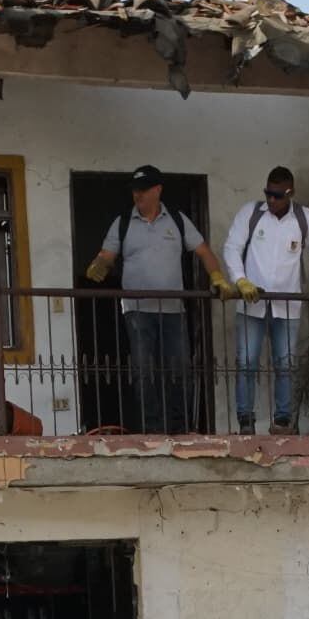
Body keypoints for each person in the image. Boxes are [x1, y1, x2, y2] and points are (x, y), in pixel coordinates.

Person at [86, 164, 215, 434]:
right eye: (135, 191)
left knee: (179, 370)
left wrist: (218, 278)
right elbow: (106, 256)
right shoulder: (122, 222)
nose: (138, 196)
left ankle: (181, 429)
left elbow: (203, 251)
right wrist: (99, 265)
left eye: (143, 190)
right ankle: (151, 429)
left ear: (158, 190)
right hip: (137, 311)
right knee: (144, 372)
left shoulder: (177, 220)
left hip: (173, 310)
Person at [218, 166, 309, 433]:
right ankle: (245, 420)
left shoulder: (305, 218)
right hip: (252, 303)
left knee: (285, 364)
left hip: (288, 304)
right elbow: (232, 247)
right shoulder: (251, 213)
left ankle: (283, 420)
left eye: (277, 195)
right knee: (247, 362)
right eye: (268, 194)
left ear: (290, 193)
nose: (272, 200)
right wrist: (240, 279)